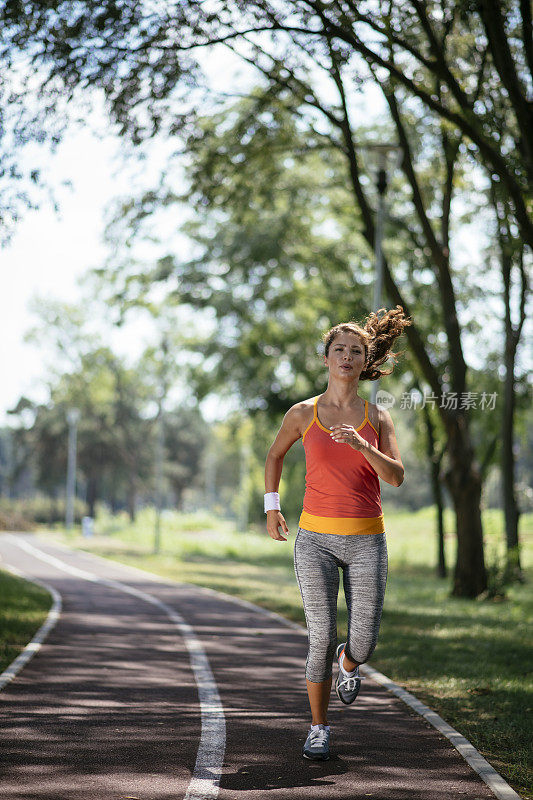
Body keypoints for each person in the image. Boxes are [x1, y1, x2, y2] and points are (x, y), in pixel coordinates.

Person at [264, 306, 411, 761]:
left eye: (356, 351)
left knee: (363, 642)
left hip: (367, 540)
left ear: (365, 362)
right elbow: (274, 457)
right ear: (326, 358)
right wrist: (272, 506)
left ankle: (350, 664)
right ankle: (319, 727)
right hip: (315, 541)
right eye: (339, 349)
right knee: (320, 635)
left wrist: (362, 445)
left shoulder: (378, 417)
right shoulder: (302, 413)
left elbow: (397, 477)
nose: (346, 357)